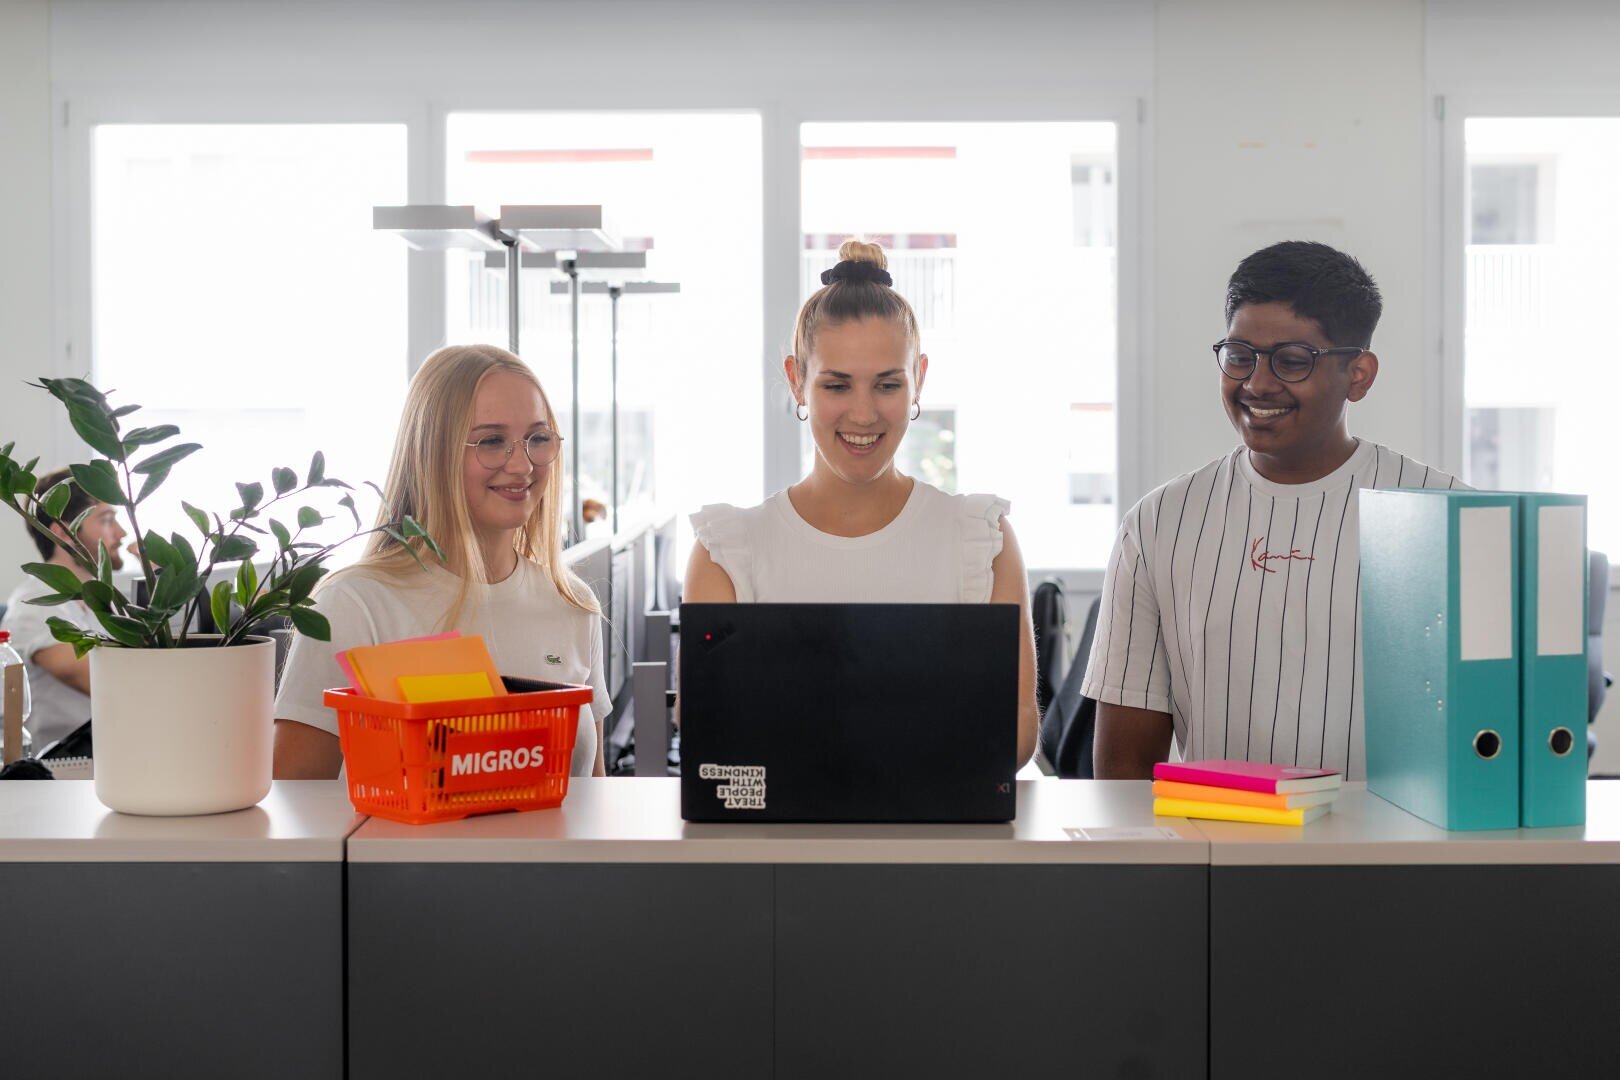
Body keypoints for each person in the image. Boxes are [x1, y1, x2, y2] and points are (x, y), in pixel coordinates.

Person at [1085, 241, 1460, 780]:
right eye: (1240, 357)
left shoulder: (1451, 518)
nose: (1257, 384)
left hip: (1392, 850)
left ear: (1359, 375)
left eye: (1291, 361)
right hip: (1216, 849)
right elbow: (1123, 769)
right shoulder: (1157, 524)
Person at [685, 239, 1039, 767]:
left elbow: (1014, 734)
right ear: (796, 381)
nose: (864, 413)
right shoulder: (728, 551)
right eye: (837, 385)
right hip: (780, 848)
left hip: (943, 843)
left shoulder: (979, 540)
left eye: (887, 384)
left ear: (918, 379)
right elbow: (710, 731)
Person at [273, 345, 611, 778]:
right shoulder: (354, 605)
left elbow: (596, 801)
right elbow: (295, 811)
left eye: (538, 438)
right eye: (492, 441)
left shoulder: (571, 603)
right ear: (432, 452)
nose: (522, 464)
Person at [1, 468, 126, 749]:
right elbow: (101, 685)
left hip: (117, 753)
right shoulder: (34, 606)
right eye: (106, 520)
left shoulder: (105, 601)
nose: (121, 533)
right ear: (63, 532)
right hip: (69, 770)